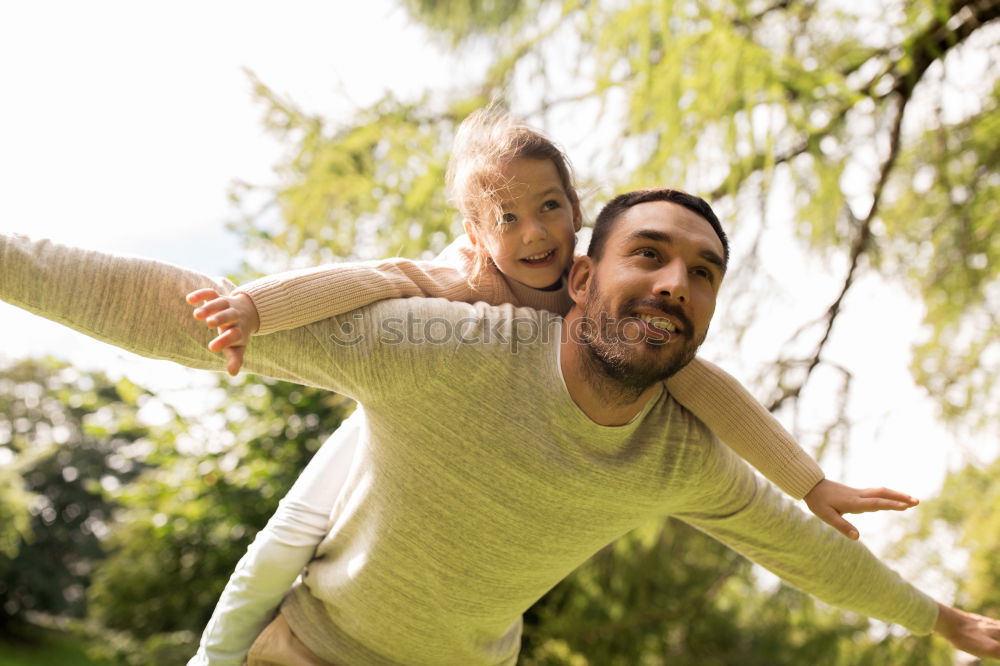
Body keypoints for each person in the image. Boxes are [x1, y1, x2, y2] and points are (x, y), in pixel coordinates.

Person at [2, 189, 998, 664]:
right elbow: (175, 312)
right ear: (578, 280)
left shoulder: (678, 460)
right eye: (646, 254)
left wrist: (939, 621)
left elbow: (803, 549)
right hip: (315, 647)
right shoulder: (446, 345)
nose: (672, 282)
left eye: (700, 273)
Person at [182, 109, 916, 662]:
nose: (534, 233)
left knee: (494, 621)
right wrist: (253, 307)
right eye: (509, 218)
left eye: (551, 208)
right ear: (476, 233)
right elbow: (365, 279)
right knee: (285, 540)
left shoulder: (592, 297)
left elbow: (709, 389)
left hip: (483, 517)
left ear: (577, 210)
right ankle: (212, 657)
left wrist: (809, 483)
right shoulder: (461, 280)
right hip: (399, 423)